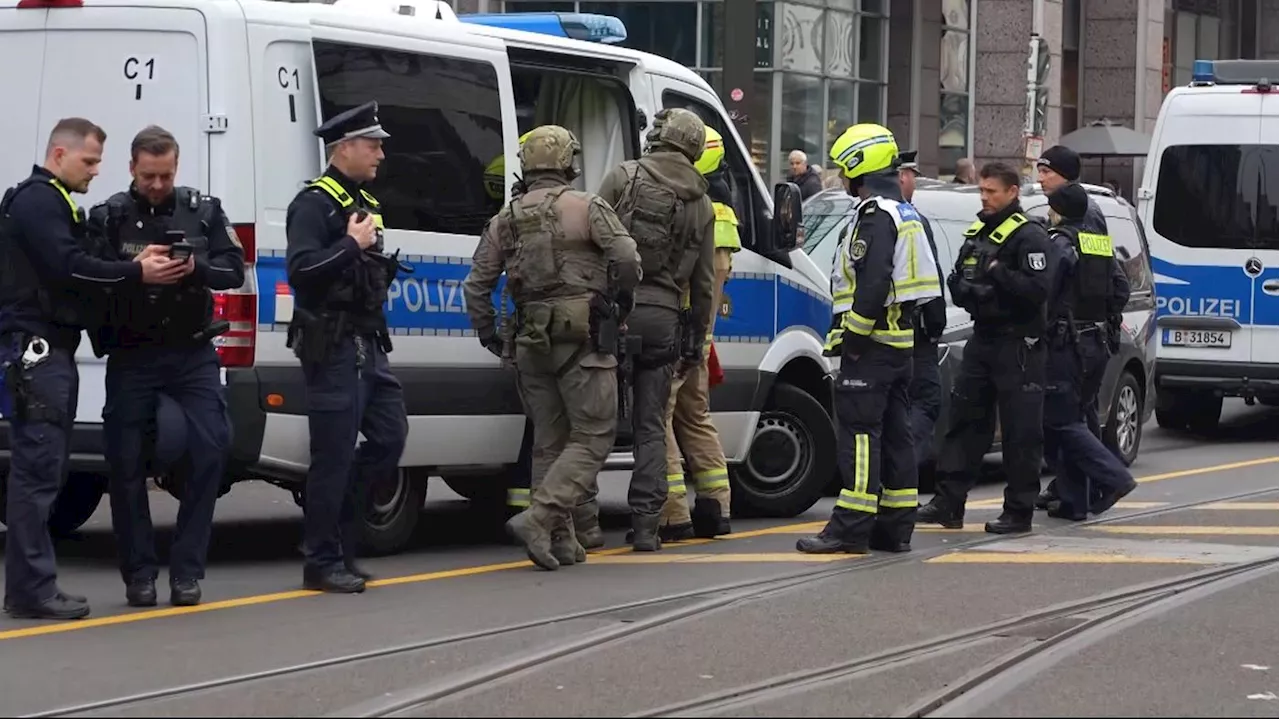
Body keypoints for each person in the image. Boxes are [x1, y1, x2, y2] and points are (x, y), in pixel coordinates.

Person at [0, 118, 180, 620]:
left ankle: (30, 587)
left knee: (45, 472)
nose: (97, 172)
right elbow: (68, 265)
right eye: (90, 161)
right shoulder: (39, 200)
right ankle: (31, 591)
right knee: (37, 475)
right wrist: (135, 270)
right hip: (37, 353)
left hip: (49, 351)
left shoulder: (54, 200)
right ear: (59, 153)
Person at [462, 125, 640, 570]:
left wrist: (489, 334)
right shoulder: (588, 206)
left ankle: (559, 542)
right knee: (594, 435)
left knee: (549, 443)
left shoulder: (506, 218)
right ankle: (540, 520)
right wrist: (619, 303)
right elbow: (627, 259)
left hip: (529, 342)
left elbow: (476, 285)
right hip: (583, 339)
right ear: (567, 162)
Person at [87, 125, 244, 608]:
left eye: (166, 175)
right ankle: (138, 574)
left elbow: (234, 271)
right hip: (133, 353)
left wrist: (194, 267)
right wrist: (135, 271)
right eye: (149, 175)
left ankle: (186, 573)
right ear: (132, 168)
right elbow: (86, 277)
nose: (158, 185)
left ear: (177, 168)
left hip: (191, 350)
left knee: (211, 452)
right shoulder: (109, 216)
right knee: (125, 464)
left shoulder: (203, 210)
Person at [796, 124, 942, 554]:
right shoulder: (906, 213)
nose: (842, 178)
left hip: (873, 348)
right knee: (897, 437)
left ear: (861, 166)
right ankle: (895, 527)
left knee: (860, 437)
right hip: (900, 347)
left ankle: (850, 528)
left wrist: (854, 339)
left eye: (844, 169)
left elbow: (873, 282)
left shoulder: (877, 215)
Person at [285, 101, 409, 594]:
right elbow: (301, 271)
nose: (380, 152)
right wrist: (350, 247)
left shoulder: (363, 202)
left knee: (389, 438)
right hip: (333, 346)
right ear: (344, 148)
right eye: (372, 143)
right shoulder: (314, 205)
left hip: (368, 345)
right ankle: (322, 559)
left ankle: (340, 541)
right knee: (332, 456)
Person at [592, 108, 717, 552]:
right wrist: (695, 342)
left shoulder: (622, 177)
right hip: (665, 319)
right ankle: (646, 528)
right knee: (650, 426)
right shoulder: (701, 203)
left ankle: (585, 527)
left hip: (615, 316)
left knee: (595, 422)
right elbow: (703, 286)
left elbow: (593, 247)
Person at [918, 161, 1053, 534]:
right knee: (964, 422)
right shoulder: (979, 231)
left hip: (1019, 344)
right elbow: (958, 280)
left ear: (1012, 192)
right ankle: (949, 503)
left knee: (1020, 431)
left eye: (991, 192)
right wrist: (978, 291)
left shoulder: (1030, 237)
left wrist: (997, 276)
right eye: (981, 190)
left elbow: (1037, 291)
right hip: (984, 338)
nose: (984, 197)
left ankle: (1018, 511)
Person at [657, 126, 740, 542]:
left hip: (679, 330)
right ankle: (717, 505)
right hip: (700, 338)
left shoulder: (694, 208)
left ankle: (673, 514)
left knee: (660, 415)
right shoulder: (721, 211)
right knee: (695, 415)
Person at [1040, 184, 1136, 519]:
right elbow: (1121, 290)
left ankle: (1114, 478)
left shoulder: (1061, 242)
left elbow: (1046, 294)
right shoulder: (1098, 242)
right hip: (1096, 343)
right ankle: (1074, 502)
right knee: (1076, 418)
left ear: (1059, 210)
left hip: (1068, 345)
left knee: (1061, 422)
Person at [1033, 144, 1119, 510]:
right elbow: (1116, 284)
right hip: (1090, 335)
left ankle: (1099, 483)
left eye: (1046, 172)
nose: (1040, 179)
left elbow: (1057, 285)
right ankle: (1077, 489)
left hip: (1073, 336)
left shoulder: (1079, 223)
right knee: (1076, 415)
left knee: (1068, 418)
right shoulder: (1082, 224)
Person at [897, 151, 948, 469]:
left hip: (883, 333)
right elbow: (929, 278)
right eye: (912, 174)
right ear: (902, 176)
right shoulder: (912, 221)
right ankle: (899, 476)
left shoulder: (862, 215)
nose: (914, 181)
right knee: (926, 401)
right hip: (915, 334)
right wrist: (935, 320)